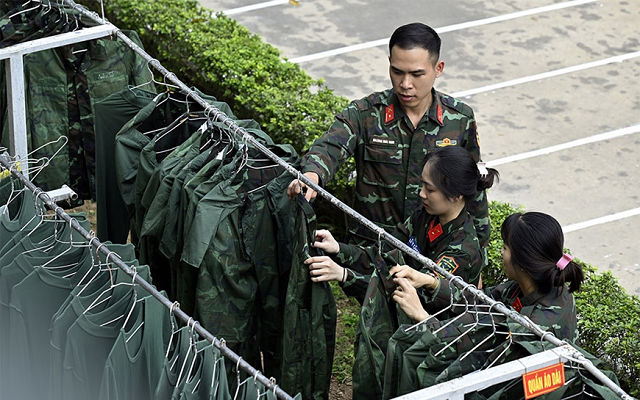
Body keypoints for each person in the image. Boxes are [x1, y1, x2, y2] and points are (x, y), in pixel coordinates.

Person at [287, 22, 490, 250]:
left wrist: (477, 251)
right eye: (397, 71)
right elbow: (330, 145)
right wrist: (312, 175)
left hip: (429, 255)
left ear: (439, 68)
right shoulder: (365, 114)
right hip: (369, 253)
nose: (405, 84)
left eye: (416, 74)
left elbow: (474, 186)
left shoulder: (460, 119)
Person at [305, 146, 499, 301]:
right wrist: (338, 248)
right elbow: (383, 251)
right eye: (422, 185)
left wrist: (344, 275)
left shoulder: (462, 249)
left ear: (456, 196)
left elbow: (410, 295)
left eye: (430, 189)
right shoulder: (426, 215)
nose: (422, 193)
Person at [392, 211, 584, 341]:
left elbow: (475, 349)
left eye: (505, 248)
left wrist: (423, 317)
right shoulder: (530, 285)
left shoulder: (535, 325)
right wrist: (431, 282)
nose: (501, 252)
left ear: (524, 263)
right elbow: (479, 301)